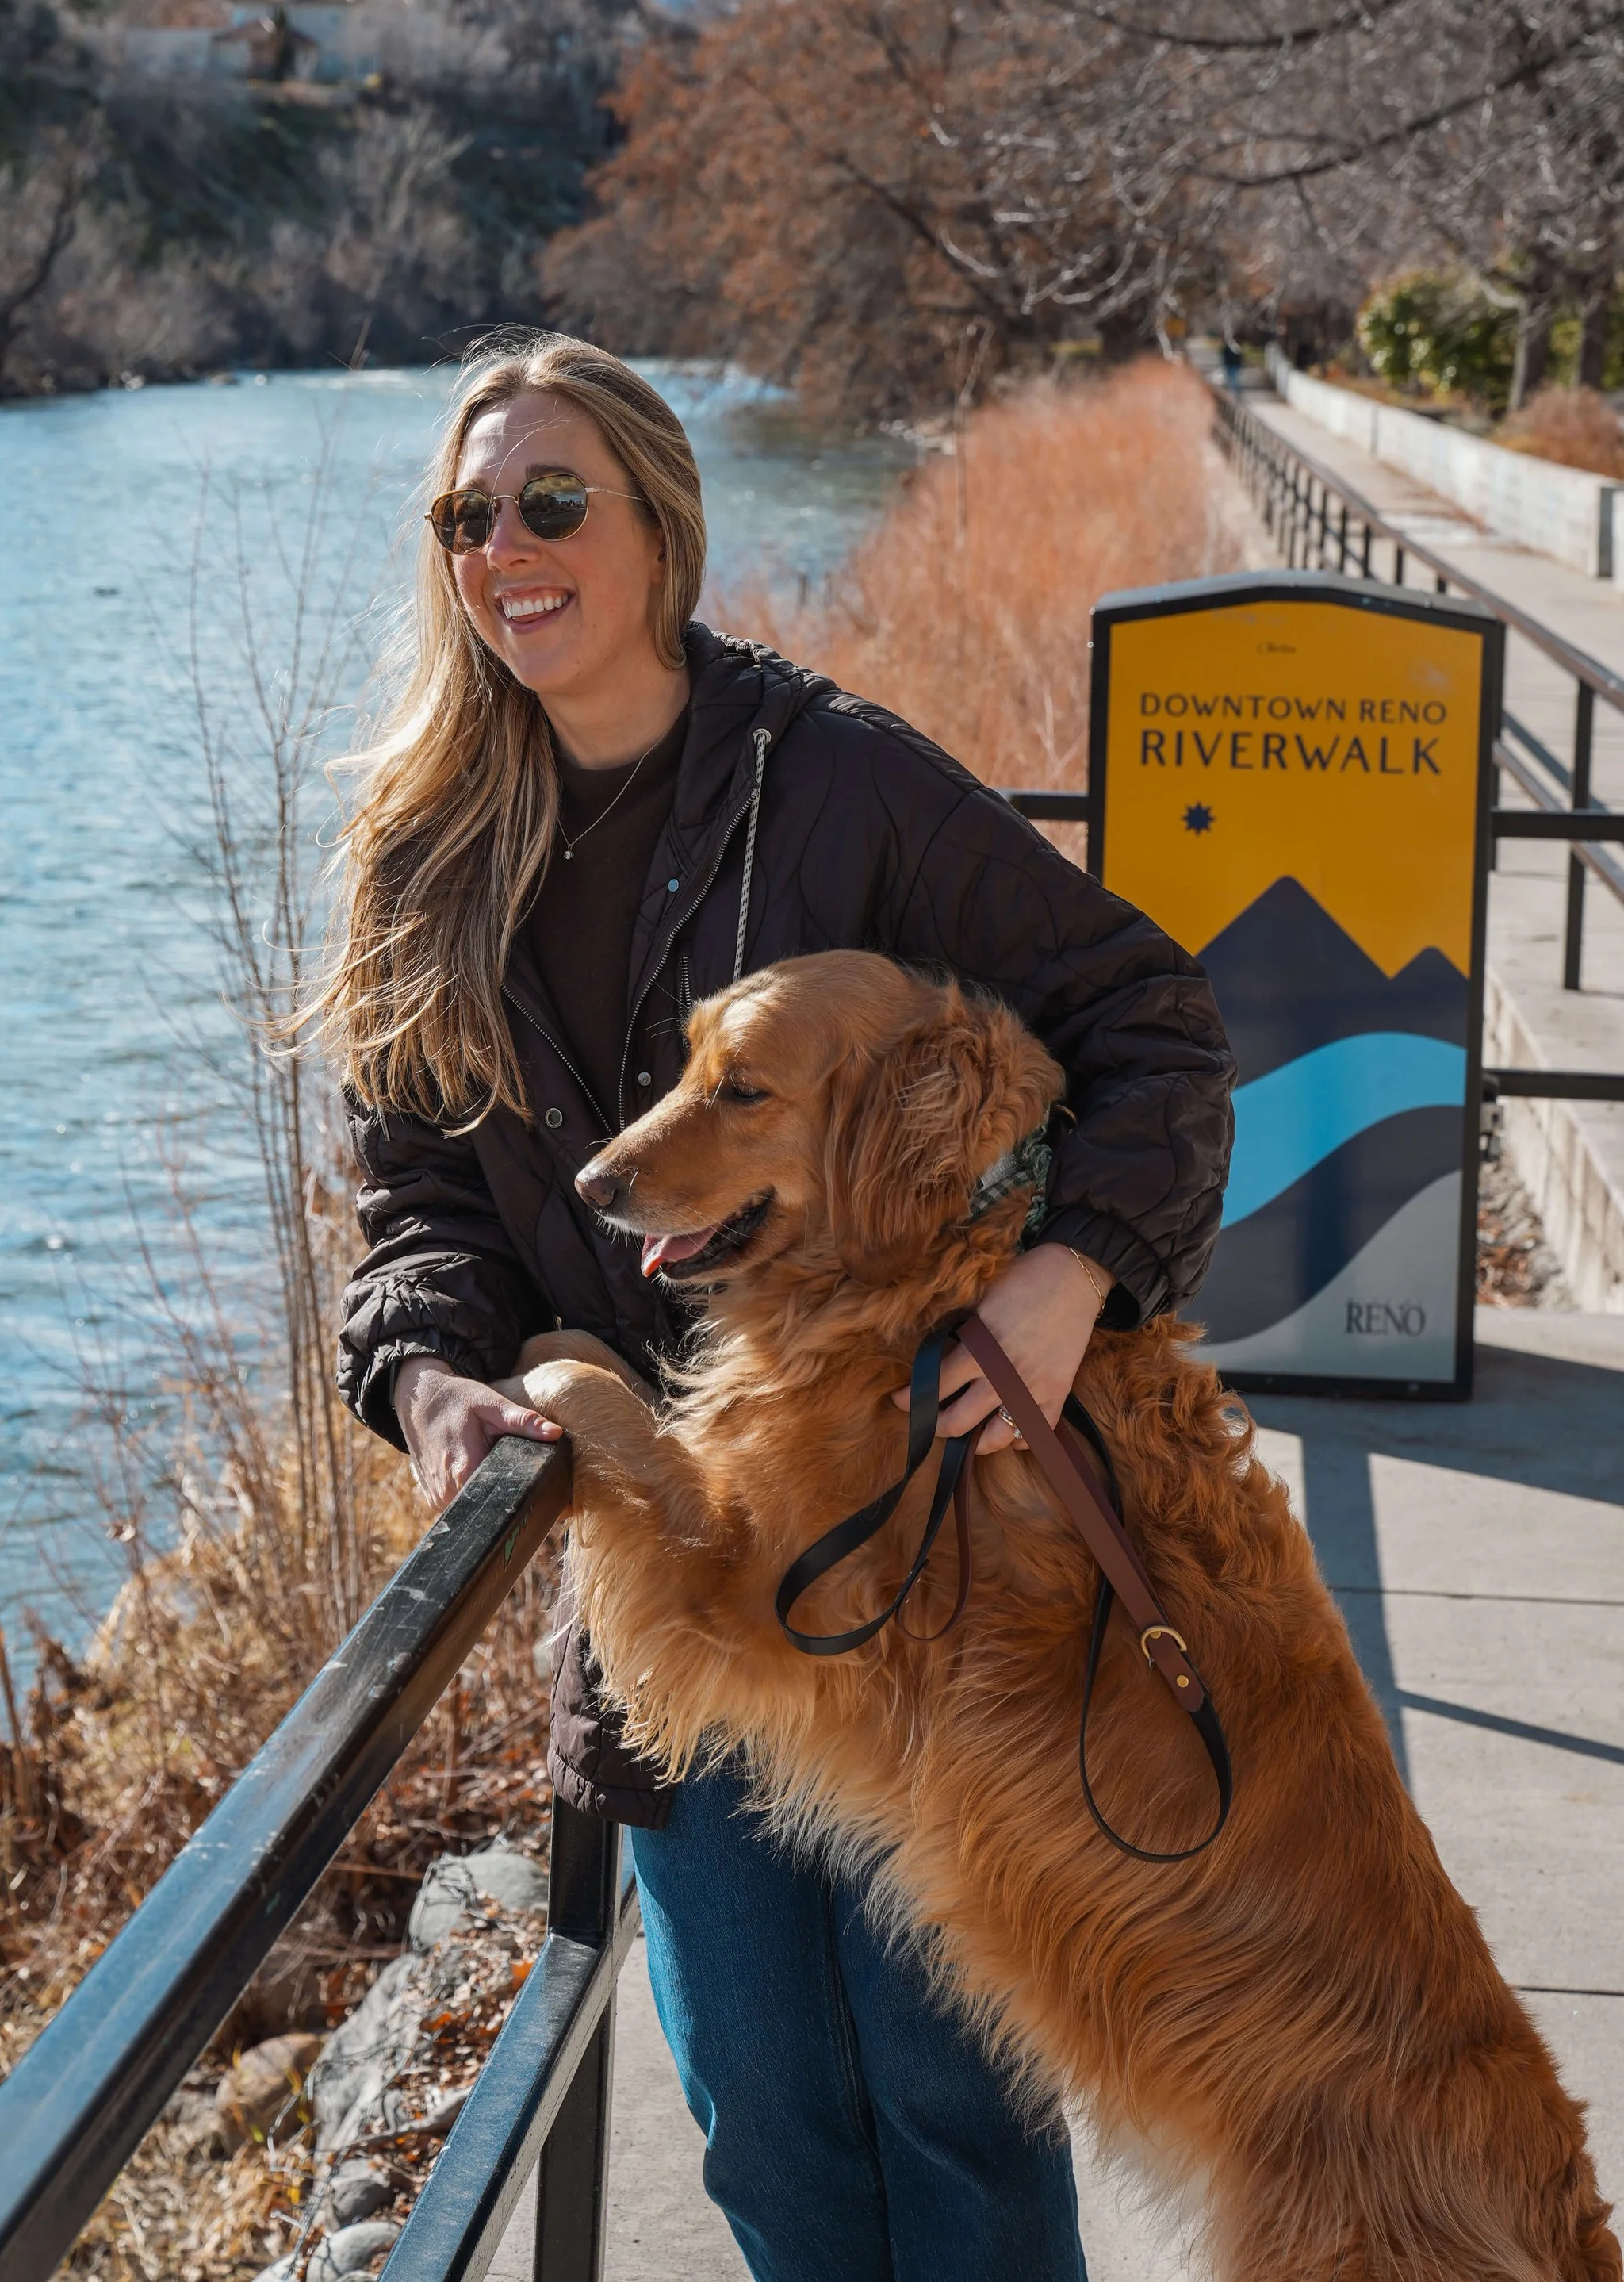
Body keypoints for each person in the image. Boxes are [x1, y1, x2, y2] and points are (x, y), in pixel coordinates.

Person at [323, 335, 1234, 2282]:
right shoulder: (424, 855)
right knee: (764, 2120)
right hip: (671, 1581)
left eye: (549, 503)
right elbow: (414, 1206)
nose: (504, 549)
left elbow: (1150, 1021)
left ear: (658, 527)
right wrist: (431, 1383)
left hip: (917, 1560)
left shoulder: (834, 784)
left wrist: (1070, 1277)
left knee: (953, 2120)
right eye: (466, 519)